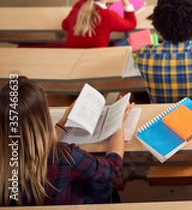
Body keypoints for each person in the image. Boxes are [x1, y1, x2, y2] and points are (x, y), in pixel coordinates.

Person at [0, 76, 133, 205]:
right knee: (98, 182)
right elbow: (112, 168)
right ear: (43, 118)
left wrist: (64, 123)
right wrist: (118, 127)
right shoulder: (65, 157)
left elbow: (32, 143)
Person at [62, 0, 137, 48]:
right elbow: (132, 24)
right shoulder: (108, 15)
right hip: (98, 58)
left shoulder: (80, 4)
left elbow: (65, 26)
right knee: (130, 39)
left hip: (71, 56)